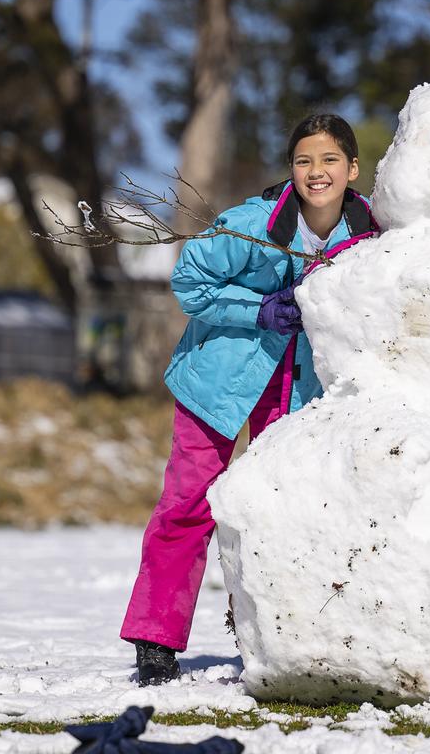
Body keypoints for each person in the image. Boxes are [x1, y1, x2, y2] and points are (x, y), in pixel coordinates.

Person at [120, 113, 380, 685]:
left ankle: (281, 639)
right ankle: (155, 640)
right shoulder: (251, 224)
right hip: (217, 382)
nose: (317, 172)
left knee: (283, 514)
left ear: (353, 168)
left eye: (331, 160)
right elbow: (190, 281)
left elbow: (428, 247)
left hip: (298, 393)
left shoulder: (373, 233)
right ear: (291, 168)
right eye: (305, 160)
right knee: (188, 504)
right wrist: (258, 309)